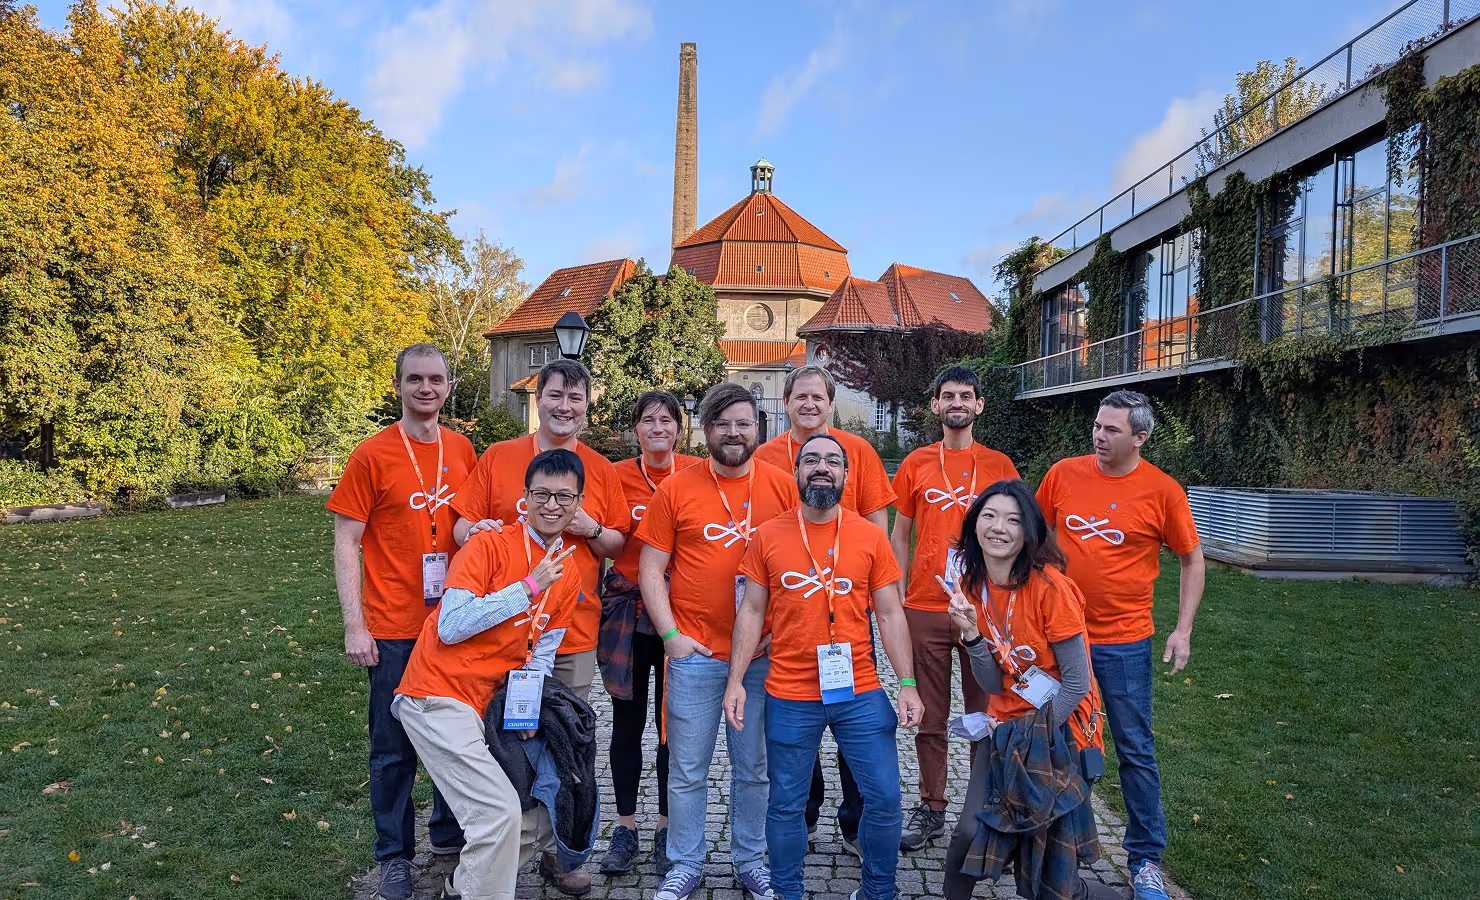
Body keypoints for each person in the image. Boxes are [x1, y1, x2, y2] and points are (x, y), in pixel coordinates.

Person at [450, 358, 626, 895]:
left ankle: (557, 855)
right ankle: (485, 852)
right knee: (492, 745)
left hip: (567, 636)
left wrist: (590, 526)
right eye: (555, 395)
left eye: (575, 398)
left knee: (560, 742)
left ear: (587, 407)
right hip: (494, 636)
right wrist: (477, 533)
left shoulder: (600, 467)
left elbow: (618, 543)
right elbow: (460, 524)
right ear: (539, 398)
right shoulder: (500, 457)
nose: (564, 406)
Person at [725, 433, 924, 900]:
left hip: (859, 688)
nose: (821, 467)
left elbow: (891, 613)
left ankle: (877, 891)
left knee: (887, 797)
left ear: (845, 475)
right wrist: (735, 680)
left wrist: (908, 683)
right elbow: (752, 611)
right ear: (795, 472)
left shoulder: (870, 535)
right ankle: (787, 891)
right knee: (786, 804)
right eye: (810, 459)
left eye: (832, 461)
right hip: (789, 691)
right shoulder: (769, 535)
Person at [393, 449, 585, 900]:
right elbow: (452, 624)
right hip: (435, 696)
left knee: (541, 811)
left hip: (487, 706)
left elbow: (540, 654)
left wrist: (522, 720)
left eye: (564, 497)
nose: (552, 505)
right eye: (541, 494)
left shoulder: (569, 571)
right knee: (497, 814)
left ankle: (464, 888)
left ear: (577, 504)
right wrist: (528, 588)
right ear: (524, 497)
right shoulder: (488, 544)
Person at [1036, 390, 1205, 900]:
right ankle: (1050, 846)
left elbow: (1192, 561)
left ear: (1141, 436)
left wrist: (1183, 630)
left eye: (1112, 429)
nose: (1099, 436)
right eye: (1097, 426)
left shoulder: (1162, 491)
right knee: (1052, 742)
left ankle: (1146, 860)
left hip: (1125, 642)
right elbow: (1034, 535)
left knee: (1134, 748)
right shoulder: (1063, 475)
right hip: (1060, 638)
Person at [635, 382, 800, 900]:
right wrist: (672, 637)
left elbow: (804, 564)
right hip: (697, 656)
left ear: (758, 429)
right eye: (723, 423)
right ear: (705, 430)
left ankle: (750, 861)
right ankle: (686, 863)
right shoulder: (678, 488)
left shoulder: (782, 486)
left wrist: (785, 633)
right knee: (687, 769)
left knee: (754, 768)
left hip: (761, 657)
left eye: (744, 423)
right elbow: (650, 568)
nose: (734, 432)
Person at [328, 343, 474, 900]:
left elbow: (472, 527)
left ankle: (447, 842)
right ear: (398, 387)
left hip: (453, 625)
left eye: (436, 379)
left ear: (447, 387)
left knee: (454, 739)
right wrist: (354, 624)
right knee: (392, 748)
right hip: (391, 626)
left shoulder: (463, 450)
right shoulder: (372, 455)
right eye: (415, 379)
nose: (426, 389)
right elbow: (346, 541)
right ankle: (393, 855)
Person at [938, 479, 1116, 900]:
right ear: (974, 524)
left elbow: (1076, 680)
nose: (999, 528)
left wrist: (1032, 733)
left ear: (1028, 531)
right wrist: (971, 637)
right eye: (990, 516)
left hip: (1059, 731)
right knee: (967, 830)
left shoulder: (1051, 588)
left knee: (1047, 867)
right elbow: (992, 684)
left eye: (1013, 520)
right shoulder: (970, 587)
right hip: (1005, 728)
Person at [751, 364, 896, 852]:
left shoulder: (859, 452)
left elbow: (877, 525)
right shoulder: (766, 456)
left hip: (847, 613)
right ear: (786, 402)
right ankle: (805, 817)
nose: (809, 404)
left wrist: (874, 597)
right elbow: (763, 540)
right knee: (798, 724)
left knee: (856, 723)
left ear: (830, 403)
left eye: (818, 396)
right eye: (800, 396)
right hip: (792, 613)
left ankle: (855, 823)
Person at [888, 365, 1019, 852]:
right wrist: (897, 599)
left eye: (966, 395)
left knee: (986, 712)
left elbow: (1018, 533)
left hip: (983, 606)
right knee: (931, 716)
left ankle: (986, 807)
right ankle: (932, 807)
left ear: (979, 405)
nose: (957, 402)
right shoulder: (917, 463)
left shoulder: (1000, 465)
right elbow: (900, 536)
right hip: (924, 603)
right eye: (948, 395)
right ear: (936, 406)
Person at [598, 391, 702, 875]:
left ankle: (666, 827)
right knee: (627, 722)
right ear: (634, 429)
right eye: (647, 420)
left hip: (680, 612)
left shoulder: (698, 474)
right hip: (627, 613)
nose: (657, 427)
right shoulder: (614, 475)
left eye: (667, 419)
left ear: (679, 430)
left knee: (671, 725)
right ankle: (625, 826)